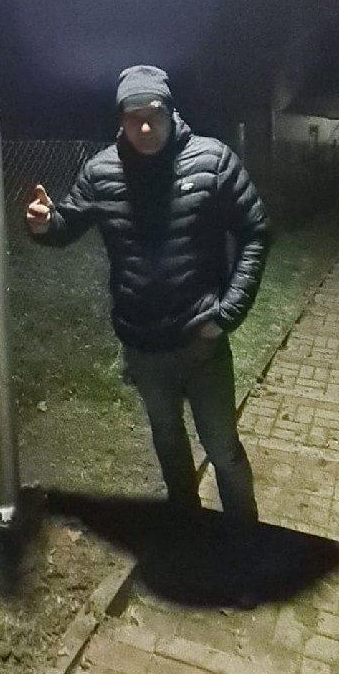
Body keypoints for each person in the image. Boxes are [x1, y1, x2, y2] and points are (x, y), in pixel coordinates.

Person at [26, 64, 270, 528]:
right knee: (167, 438)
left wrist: (229, 311)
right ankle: (185, 526)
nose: (143, 127)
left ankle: (246, 536)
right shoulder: (101, 172)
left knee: (221, 448)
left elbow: (255, 231)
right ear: (120, 119)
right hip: (142, 346)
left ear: (170, 111)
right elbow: (66, 224)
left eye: (153, 114)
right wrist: (43, 223)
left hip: (202, 341)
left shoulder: (212, 160)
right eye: (132, 116)